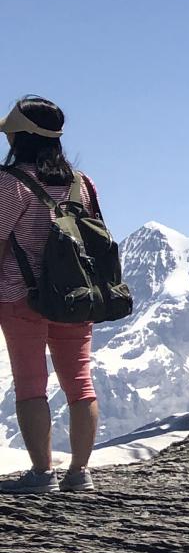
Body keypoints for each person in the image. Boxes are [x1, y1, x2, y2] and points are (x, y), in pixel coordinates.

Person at [0, 99, 106, 494]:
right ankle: (80, 474)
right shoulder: (81, 182)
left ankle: (42, 473)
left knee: (31, 384)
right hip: (75, 297)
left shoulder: (10, 183)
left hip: (20, 296)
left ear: (20, 136)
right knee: (79, 381)